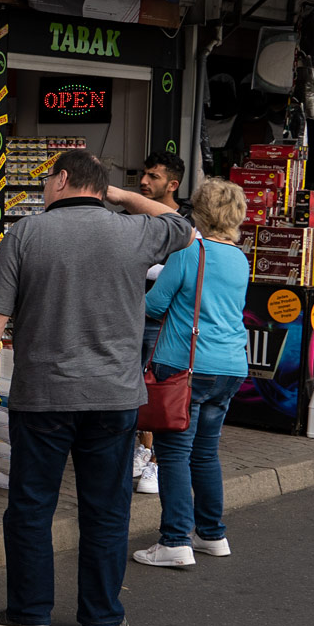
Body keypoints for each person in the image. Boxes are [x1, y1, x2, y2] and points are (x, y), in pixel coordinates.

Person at [0, 149, 193, 626]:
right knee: (107, 506)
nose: (44, 188)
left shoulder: (25, 233)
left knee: (31, 505)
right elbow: (181, 223)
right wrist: (118, 194)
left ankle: (29, 612)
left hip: (43, 396)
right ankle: (102, 616)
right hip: (114, 397)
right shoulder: (132, 232)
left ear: (63, 179)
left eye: (48, 179)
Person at [132, 178, 251, 569]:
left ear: (198, 211)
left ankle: (175, 541)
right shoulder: (239, 257)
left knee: (174, 456)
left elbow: (154, 305)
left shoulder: (188, 253)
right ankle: (212, 534)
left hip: (185, 364)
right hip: (230, 365)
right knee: (205, 454)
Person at [131, 151, 186, 494]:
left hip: (165, 322)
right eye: (144, 175)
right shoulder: (129, 217)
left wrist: (153, 271)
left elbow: (190, 271)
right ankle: (142, 447)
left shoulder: (187, 222)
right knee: (133, 387)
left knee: (159, 389)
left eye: (153, 176)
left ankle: (155, 462)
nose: (144, 182)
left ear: (173, 184)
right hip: (129, 316)